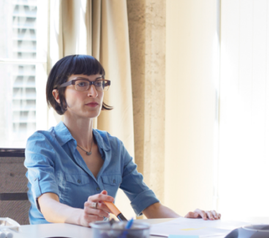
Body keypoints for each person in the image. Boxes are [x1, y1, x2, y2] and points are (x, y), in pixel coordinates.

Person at [25, 55, 221, 226]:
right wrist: (81, 217)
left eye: (99, 83)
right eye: (82, 84)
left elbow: (150, 206)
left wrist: (185, 223)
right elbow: (48, 206)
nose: (94, 92)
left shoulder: (114, 147)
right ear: (58, 95)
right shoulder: (41, 143)